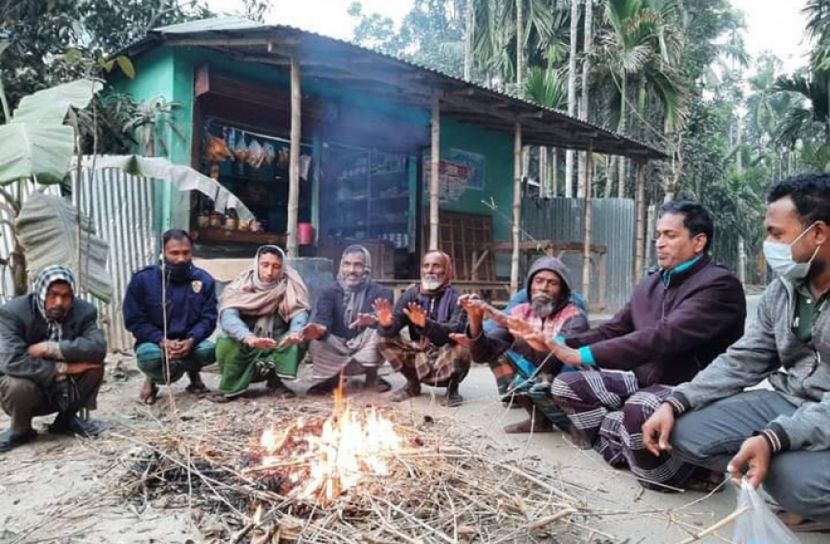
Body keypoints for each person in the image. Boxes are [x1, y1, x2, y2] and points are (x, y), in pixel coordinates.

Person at [643, 174, 830, 529]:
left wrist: (775, 437)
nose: (768, 244)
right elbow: (745, 358)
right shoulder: (784, 289)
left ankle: (808, 494)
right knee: (682, 430)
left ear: (818, 233)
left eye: (776, 234)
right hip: (793, 401)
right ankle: (797, 477)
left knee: (790, 479)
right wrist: (677, 400)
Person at [516, 202, 745, 489]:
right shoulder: (652, 282)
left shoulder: (719, 285)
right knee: (566, 385)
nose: (660, 244)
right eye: (658, 235)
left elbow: (664, 336)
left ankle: (680, 472)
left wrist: (580, 354)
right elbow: (616, 327)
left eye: (670, 236)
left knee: (637, 410)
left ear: (699, 241)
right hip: (644, 380)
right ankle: (630, 445)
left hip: (690, 387)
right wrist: (559, 342)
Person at [464, 256, 589, 432]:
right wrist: (475, 320)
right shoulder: (520, 312)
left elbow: (555, 360)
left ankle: (576, 426)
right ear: (530, 285)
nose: (544, 288)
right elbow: (484, 354)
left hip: (567, 379)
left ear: (562, 291)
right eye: (539, 281)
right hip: (539, 375)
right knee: (505, 355)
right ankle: (538, 421)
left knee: (542, 365)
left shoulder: (574, 317)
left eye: (552, 283)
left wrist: (524, 338)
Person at [0, 266, 107, 452]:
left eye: (66, 296)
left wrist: (51, 348)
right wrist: (62, 368)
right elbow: (12, 361)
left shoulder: (84, 311)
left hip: (63, 388)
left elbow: (98, 348)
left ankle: (67, 420)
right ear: (40, 293)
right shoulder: (12, 313)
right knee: (17, 384)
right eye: (53, 295)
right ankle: (20, 429)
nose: (59, 302)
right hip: (30, 389)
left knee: (94, 366)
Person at [123, 229, 217, 405]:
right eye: (174, 253)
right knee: (148, 357)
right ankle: (151, 380)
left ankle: (194, 375)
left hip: (190, 342)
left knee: (209, 351)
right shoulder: (143, 279)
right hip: (156, 343)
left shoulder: (204, 280)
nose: (181, 258)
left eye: (185, 252)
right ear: (163, 253)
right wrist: (161, 340)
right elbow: (134, 320)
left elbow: (209, 318)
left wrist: (191, 340)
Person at [215, 245, 311, 401]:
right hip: (248, 343)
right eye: (264, 265)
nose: (269, 272)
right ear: (256, 264)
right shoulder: (240, 285)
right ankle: (231, 388)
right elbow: (228, 316)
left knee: (300, 338)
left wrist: (295, 333)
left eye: (276, 266)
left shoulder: (291, 284)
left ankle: (275, 382)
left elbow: (300, 313)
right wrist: (249, 338)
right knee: (225, 342)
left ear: (283, 268)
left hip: (276, 344)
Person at [377, 250, 470, 406]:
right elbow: (396, 322)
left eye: (436, 266)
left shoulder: (457, 298)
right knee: (382, 337)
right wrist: (387, 325)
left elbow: (455, 331)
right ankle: (413, 384)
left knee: (462, 345)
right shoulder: (412, 294)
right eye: (425, 266)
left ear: (447, 269)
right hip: (420, 352)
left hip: (444, 354)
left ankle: (452, 388)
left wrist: (426, 326)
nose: (430, 271)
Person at [305, 245, 394, 395]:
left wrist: (375, 321)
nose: (351, 270)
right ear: (341, 266)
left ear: (367, 268)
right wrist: (318, 329)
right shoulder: (328, 292)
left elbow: (388, 324)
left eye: (357, 265)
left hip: (364, 346)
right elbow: (323, 320)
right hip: (337, 344)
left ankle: (372, 379)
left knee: (380, 332)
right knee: (315, 339)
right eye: (347, 264)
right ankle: (330, 380)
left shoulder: (382, 292)